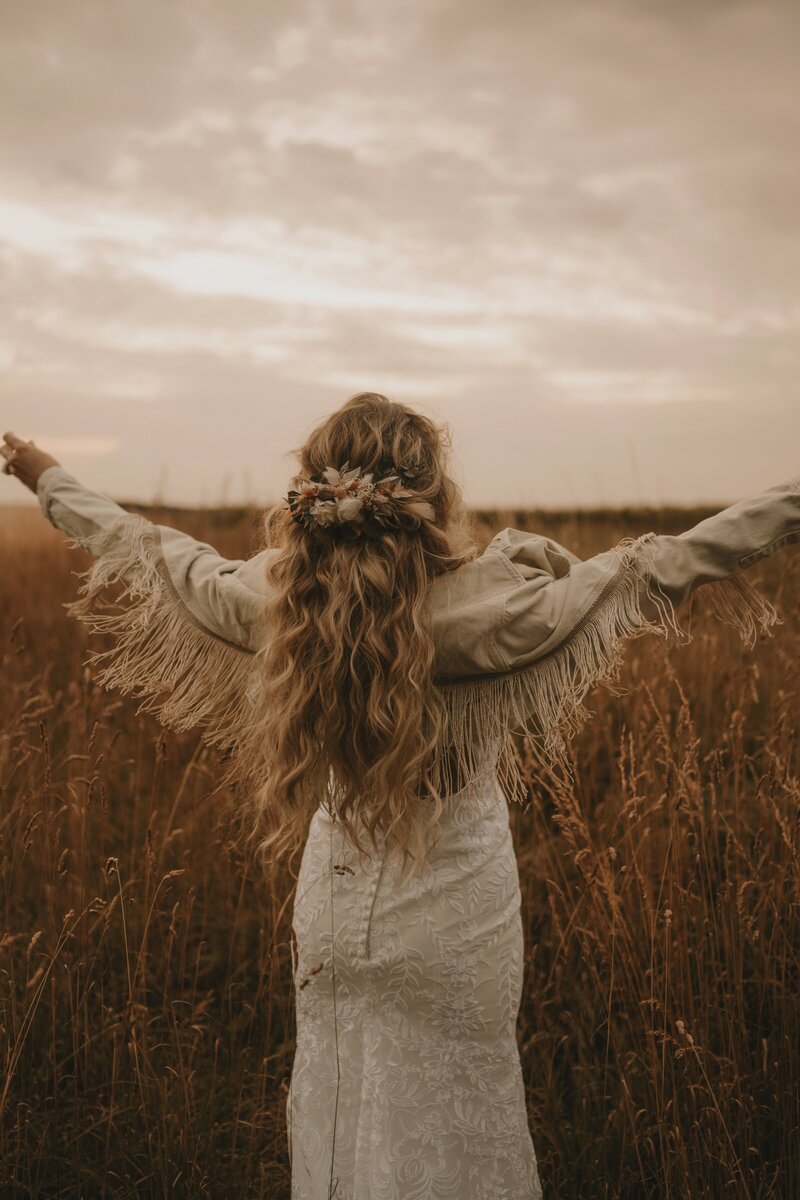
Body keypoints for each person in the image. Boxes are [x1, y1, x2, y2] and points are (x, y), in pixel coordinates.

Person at [2, 395, 799, 1200]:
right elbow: (664, 562)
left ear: (311, 496)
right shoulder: (494, 609)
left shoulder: (277, 608)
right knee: (460, 1106)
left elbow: (144, 545)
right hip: (456, 907)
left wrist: (42, 471)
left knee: (342, 1100)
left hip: (334, 899)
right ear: (432, 498)